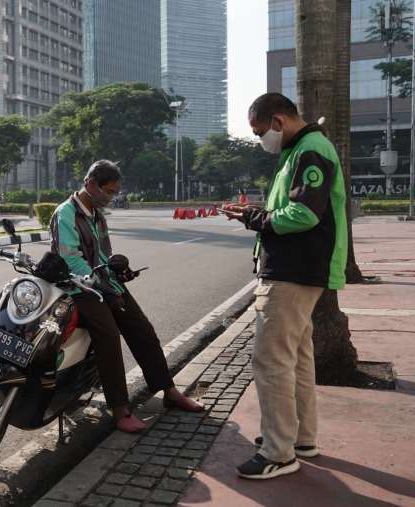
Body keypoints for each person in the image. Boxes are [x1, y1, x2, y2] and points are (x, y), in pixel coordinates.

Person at [222, 93, 348, 480]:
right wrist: (256, 214)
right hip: (301, 270)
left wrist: (256, 218)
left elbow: (303, 213)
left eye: (261, 131)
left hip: (293, 272)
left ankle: (278, 452)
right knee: (297, 358)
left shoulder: (309, 150)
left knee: (271, 360)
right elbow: (293, 207)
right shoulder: (301, 150)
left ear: (278, 121)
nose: (262, 140)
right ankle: (301, 438)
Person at [50, 160, 204, 433]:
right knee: (108, 335)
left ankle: (168, 390)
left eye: (114, 193)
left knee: (142, 328)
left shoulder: (98, 216)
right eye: (108, 192)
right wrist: (103, 287)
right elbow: (71, 260)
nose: (111, 198)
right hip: (78, 287)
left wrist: (118, 272)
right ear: (90, 184)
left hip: (103, 283)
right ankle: (120, 409)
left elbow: (104, 256)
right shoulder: (66, 214)